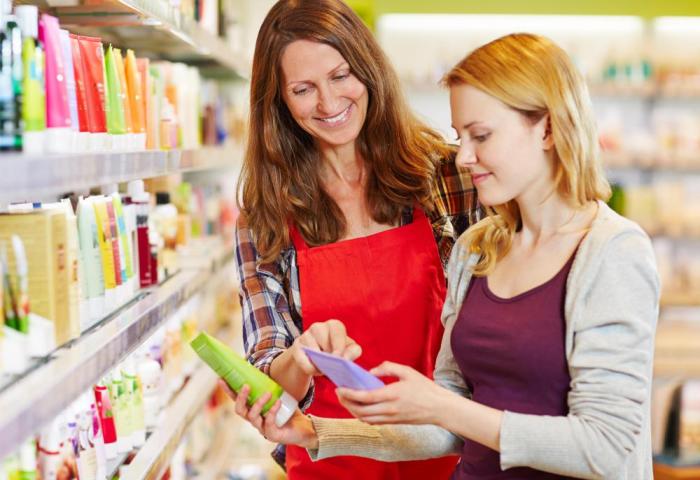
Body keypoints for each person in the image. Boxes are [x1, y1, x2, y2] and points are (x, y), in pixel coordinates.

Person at [230, 33, 660, 479]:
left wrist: (443, 407)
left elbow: (607, 447)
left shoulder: (612, 251)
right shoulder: (478, 248)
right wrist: (316, 433)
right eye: (461, 136)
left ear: (548, 128)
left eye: (482, 136)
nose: (463, 157)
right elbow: (446, 425)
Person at [234, 0, 480, 478]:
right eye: (304, 89)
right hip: (329, 460)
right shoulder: (265, 215)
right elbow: (269, 372)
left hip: (453, 457)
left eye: (341, 75)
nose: (329, 104)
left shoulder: (448, 177)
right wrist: (300, 358)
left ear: (369, 69)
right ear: (279, 102)